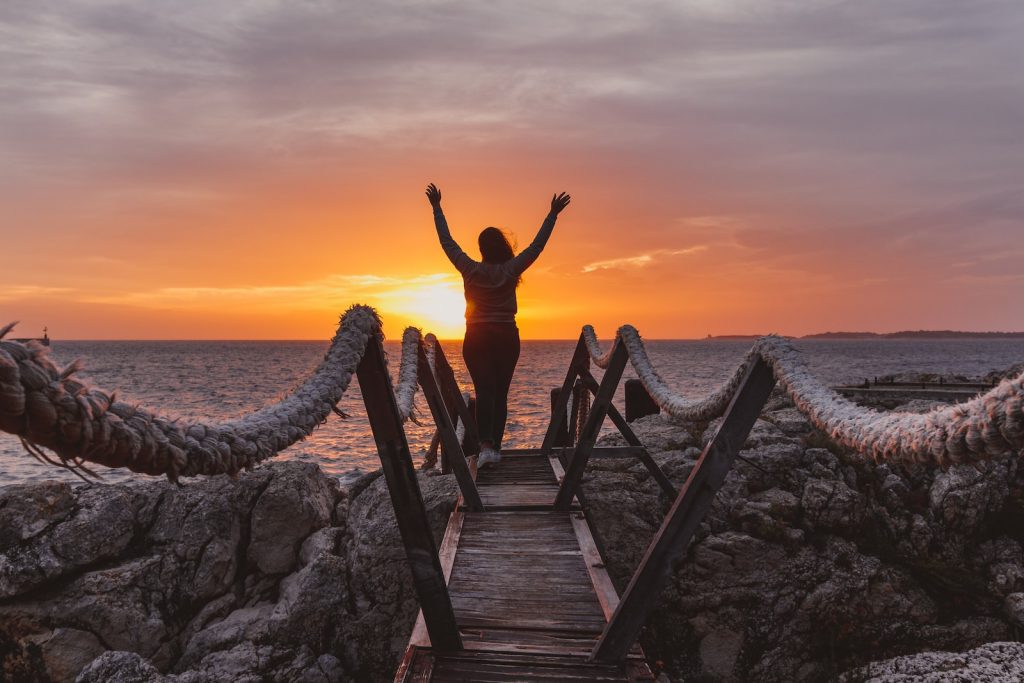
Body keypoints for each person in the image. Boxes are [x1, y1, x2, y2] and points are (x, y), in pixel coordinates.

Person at [426, 183, 571, 467]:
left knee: (484, 392)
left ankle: (485, 446)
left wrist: (437, 208)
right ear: (501, 246)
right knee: (500, 393)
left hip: (477, 336)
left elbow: (447, 242)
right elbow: (536, 247)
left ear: (481, 248)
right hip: (506, 336)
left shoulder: (470, 269)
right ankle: (496, 447)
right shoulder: (510, 270)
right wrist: (552, 214)